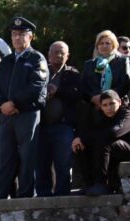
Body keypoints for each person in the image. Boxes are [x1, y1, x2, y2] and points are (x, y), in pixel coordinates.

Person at [0, 17, 49, 199]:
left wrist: (15, 103)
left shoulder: (36, 59)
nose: (17, 38)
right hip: (6, 116)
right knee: (4, 158)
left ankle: (25, 196)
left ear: (30, 37)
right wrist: (2, 104)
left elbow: (36, 85)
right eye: (14, 35)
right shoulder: (6, 61)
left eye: (21, 35)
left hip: (27, 114)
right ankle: (0, 198)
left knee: (27, 158)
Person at [36, 42, 83, 197]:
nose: (58, 55)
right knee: (42, 163)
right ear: (48, 54)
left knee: (63, 163)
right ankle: (43, 195)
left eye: (62, 52)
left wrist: (58, 92)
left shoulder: (73, 74)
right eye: (55, 52)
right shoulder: (41, 72)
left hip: (64, 126)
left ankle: (62, 195)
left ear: (67, 55)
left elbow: (77, 95)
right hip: (41, 125)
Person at [72, 90, 130, 195]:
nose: (108, 107)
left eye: (112, 103)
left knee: (104, 141)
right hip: (117, 146)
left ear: (119, 102)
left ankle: (101, 184)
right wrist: (80, 139)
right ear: (101, 107)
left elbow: (114, 132)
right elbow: (92, 132)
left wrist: (85, 138)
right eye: (105, 105)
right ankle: (89, 183)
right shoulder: (105, 116)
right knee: (81, 145)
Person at [82, 31, 130, 110]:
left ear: (114, 45)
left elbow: (125, 84)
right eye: (101, 43)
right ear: (97, 46)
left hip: (118, 105)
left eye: (107, 43)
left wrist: (108, 99)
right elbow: (84, 86)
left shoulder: (123, 61)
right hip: (95, 107)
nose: (104, 46)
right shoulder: (89, 64)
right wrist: (92, 98)